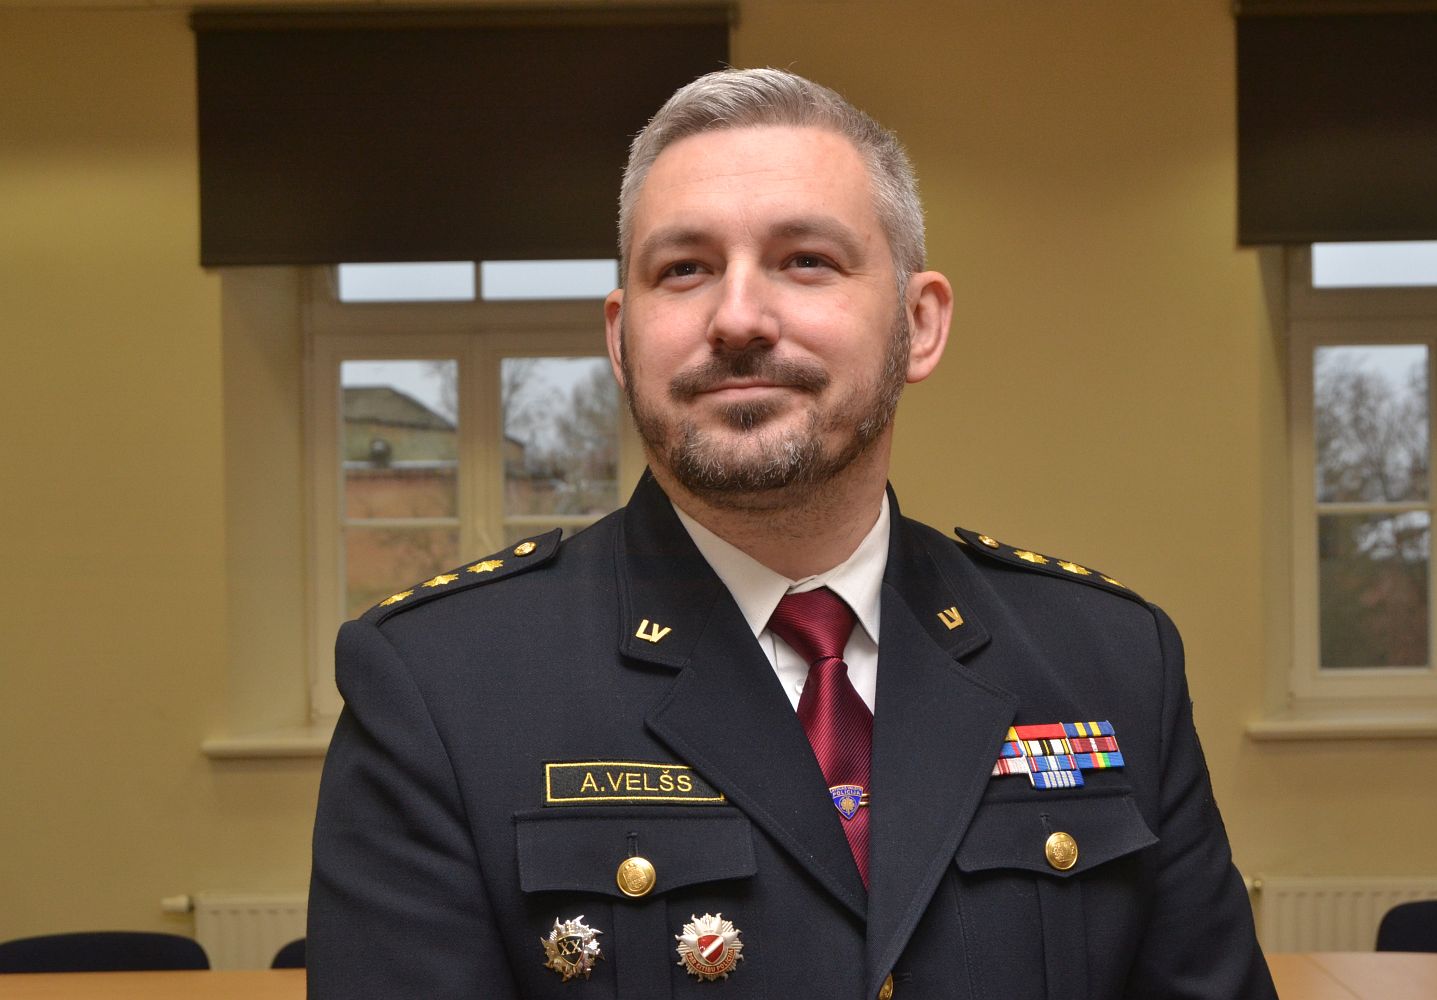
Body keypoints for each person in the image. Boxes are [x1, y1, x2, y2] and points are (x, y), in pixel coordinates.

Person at [309, 68, 1277, 1000]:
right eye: (684, 270)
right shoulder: (441, 685)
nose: (738, 318)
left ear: (920, 323)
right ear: (621, 337)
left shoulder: (1110, 660)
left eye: (806, 260)